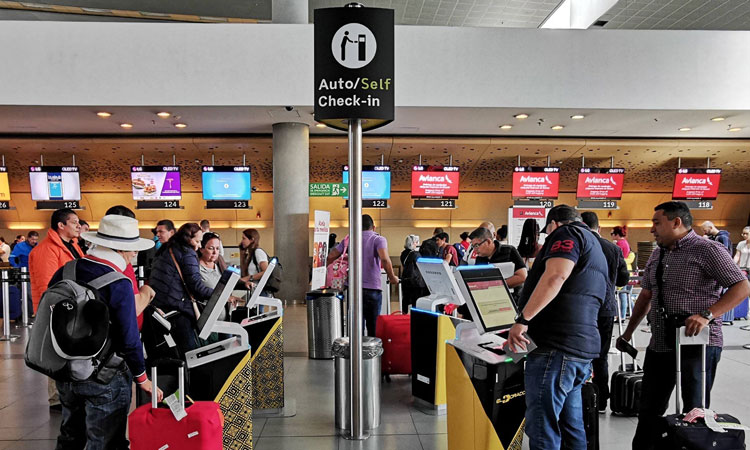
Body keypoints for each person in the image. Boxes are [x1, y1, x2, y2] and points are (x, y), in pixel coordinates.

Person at [618, 202, 750, 450]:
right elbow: (646, 295)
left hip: (697, 344)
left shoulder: (709, 250)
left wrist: (707, 314)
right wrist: (627, 333)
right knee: (649, 408)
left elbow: (742, 287)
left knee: (694, 410)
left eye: (657, 223)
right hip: (660, 342)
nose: (652, 229)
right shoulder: (658, 253)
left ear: (676, 222)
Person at [48, 214, 161, 449]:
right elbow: (129, 337)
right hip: (105, 375)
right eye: (132, 250)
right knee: (105, 441)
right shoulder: (118, 283)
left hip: (65, 370)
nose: (134, 255)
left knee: (71, 436)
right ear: (120, 249)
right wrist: (143, 378)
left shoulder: (66, 270)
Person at [506, 205, 609, 450]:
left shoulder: (567, 235)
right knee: (570, 425)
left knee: (542, 426)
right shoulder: (597, 246)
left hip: (555, 347)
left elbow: (555, 276)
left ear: (554, 224)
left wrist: (523, 320)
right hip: (579, 348)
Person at [28, 208, 84, 413]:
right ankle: (57, 398)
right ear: (61, 225)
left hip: (71, 308)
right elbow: (47, 286)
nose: (79, 226)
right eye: (74, 222)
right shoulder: (46, 250)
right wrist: (55, 312)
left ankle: (67, 394)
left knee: (67, 352)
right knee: (55, 352)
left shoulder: (72, 246)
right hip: (56, 310)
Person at [581, 211, 630, 414]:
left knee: (579, 354)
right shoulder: (613, 248)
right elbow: (623, 280)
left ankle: (582, 398)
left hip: (582, 309)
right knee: (600, 356)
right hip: (606, 309)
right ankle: (600, 402)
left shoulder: (579, 245)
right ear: (598, 228)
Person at [327, 214, 399, 336]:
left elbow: (331, 256)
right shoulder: (378, 239)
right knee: (373, 325)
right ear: (374, 227)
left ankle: (356, 353)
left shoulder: (349, 239)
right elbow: (385, 260)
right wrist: (392, 278)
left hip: (353, 288)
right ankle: (371, 353)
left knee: (355, 325)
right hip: (372, 289)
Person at [149, 223, 214, 353]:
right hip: (177, 308)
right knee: (190, 352)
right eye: (197, 241)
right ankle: (193, 373)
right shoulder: (187, 253)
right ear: (188, 239)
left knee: (177, 350)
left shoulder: (167, 249)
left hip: (161, 307)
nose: (200, 245)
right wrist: (219, 294)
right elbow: (196, 285)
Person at [468, 227, 527, 296]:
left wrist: (495, 285)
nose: (475, 250)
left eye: (476, 245)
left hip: (512, 298)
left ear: (488, 242)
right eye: (473, 246)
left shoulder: (509, 251)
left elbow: (522, 276)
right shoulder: (479, 259)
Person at [400, 234, 421, 314]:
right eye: (416, 242)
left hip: (405, 279)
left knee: (405, 298)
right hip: (414, 281)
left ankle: (404, 314)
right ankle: (414, 317)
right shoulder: (415, 254)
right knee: (415, 300)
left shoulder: (403, 253)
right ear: (413, 243)